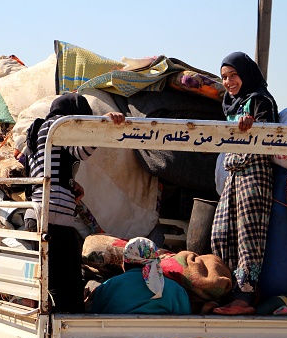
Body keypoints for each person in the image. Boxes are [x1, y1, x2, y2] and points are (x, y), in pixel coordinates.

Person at [24, 93, 125, 313]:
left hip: (38, 214)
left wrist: (71, 183)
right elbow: (82, 151)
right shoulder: (59, 127)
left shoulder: (38, 129)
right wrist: (103, 125)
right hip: (53, 220)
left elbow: (43, 168)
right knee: (67, 285)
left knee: (51, 282)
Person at [210, 52, 279, 315]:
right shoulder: (231, 103)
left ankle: (245, 297)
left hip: (255, 171)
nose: (228, 82)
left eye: (233, 75)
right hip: (233, 173)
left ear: (246, 74)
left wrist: (254, 125)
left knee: (249, 235)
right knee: (221, 232)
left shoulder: (259, 100)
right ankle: (228, 288)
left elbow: (270, 135)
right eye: (224, 77)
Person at [88, 237, 191, 314]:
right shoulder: (176, 290)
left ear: (124, 263)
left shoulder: (106, 287)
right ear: (156, 262)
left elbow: (95, 318)